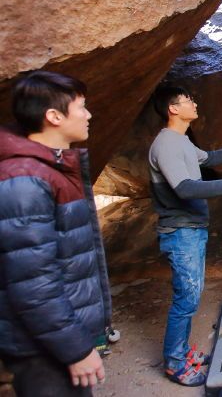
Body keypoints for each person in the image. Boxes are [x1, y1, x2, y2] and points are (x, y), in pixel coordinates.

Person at [0, 71, 111, 396]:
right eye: (82, 107)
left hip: (52, 340)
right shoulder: (24, 181)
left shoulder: (48, 168)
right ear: (54, 116)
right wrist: (75, 349)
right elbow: (33, 284)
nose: (89, 115)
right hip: (40, 350)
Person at [148, 84, 222, 386]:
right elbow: (185, 188)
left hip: (192, 230)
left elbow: (209, 158)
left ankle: (183, 352)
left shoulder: (181, 141)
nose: (194, 103)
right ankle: (175, 363)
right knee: (186, 299)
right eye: (189, 100)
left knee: (190, 296)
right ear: (173, 108)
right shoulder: (166, 145)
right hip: (181, 232)